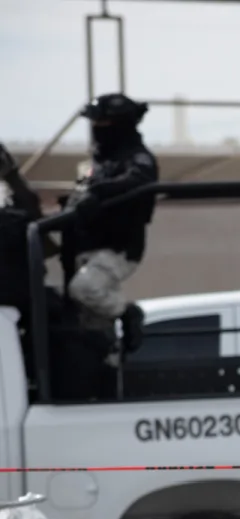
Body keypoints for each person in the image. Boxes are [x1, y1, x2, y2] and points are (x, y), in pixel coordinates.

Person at [63, 92, 158, 339]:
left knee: (84, 288)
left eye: (102, 123)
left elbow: (140, 179)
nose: (96, 129)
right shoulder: (98, 162)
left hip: (119, 248)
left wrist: (100, 192)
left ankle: (127, 313)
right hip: (87, 246)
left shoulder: (137, 157)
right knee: (90, 323)